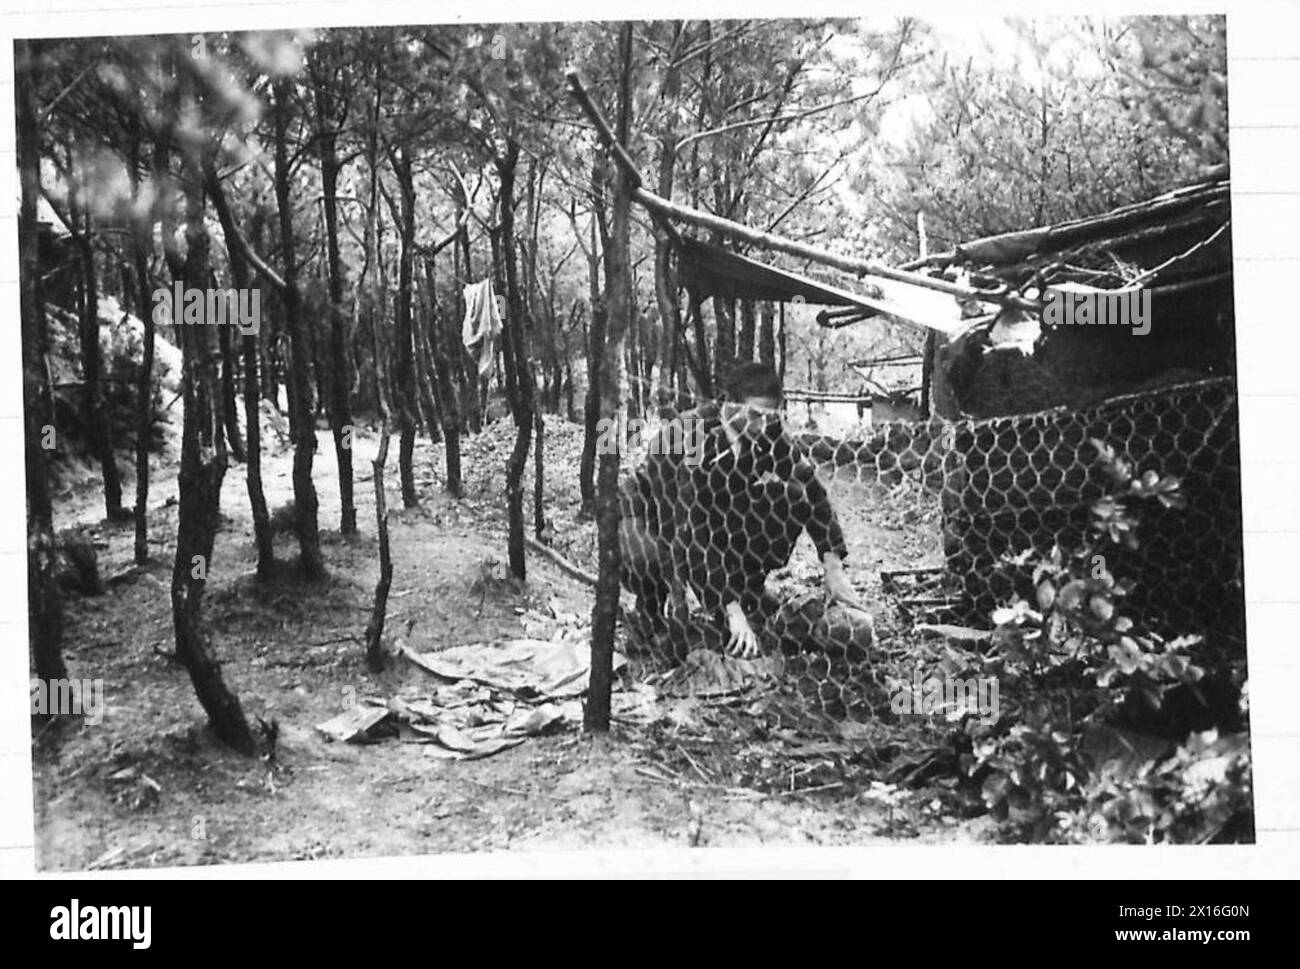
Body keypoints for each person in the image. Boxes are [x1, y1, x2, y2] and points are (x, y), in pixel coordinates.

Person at [620, 362, 864, 659]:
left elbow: (812, 491)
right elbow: (689, 529)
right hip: (649, 514)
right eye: (754, 415)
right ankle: (650, 611)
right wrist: (723, 609)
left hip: (707, 514)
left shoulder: (768, 431)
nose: (762, 425)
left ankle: (749, 590)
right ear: (728, 403)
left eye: (769, 416)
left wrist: (833, 565)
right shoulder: (688, 435)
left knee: (791, 496)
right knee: (651, 559)